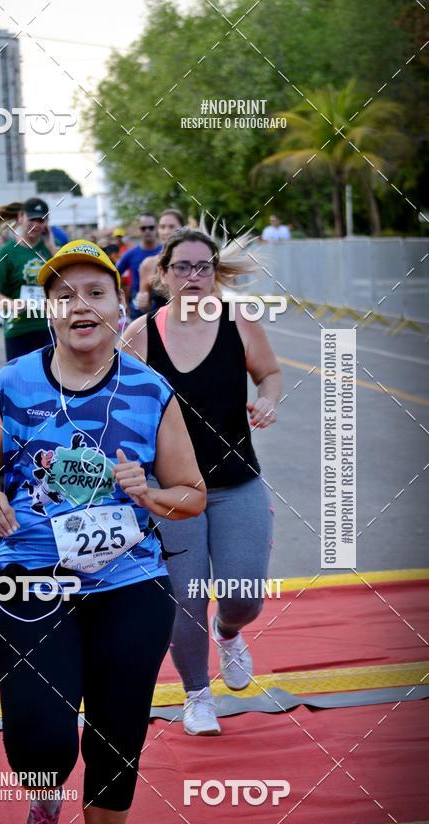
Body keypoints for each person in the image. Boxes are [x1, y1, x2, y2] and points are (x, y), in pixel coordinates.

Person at [0, 240, 205, 824]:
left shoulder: (149, 389)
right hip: (32, 577)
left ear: (118, 304)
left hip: (129, 583)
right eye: (64, 294)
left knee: (117, 734)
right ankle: (45, 802)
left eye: (95, 293)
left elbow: (190, 494)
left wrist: (147, 492)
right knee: (42, 737)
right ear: (48, 311)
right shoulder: (12, 383)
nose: (81, 305)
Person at [123, 227, 282, 737]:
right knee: (185, 598)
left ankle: (229, 633)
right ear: (164, 275)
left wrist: (268, 400)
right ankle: (197, 695)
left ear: (215, 275)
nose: (193, 276)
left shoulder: (240, 322)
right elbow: (115, 408)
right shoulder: (140, 335)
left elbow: (270, 374)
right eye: (182, 267)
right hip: (171, 493)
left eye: (203, 267)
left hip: (238, 484)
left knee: (244, 595)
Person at [0, 197, 59, 361]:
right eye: (32, 219)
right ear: (20, 217)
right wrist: (11, 304)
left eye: (41, 220)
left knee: (53, 383)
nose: (36, 224)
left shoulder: (51, 249)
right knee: (19, 383)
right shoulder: (7, 252)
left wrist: (51, 245)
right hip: (19, 329)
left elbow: (68, 280)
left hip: (50, 327)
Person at [135, 209, 185, 313]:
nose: (166, 231)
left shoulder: (197, 261)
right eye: (162, 227)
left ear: (183, 229)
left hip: (195, 323)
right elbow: (146, 308)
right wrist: (142, 302)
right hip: (162, 325)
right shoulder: (149, 264)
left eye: (171, 226)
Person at [116, 213, 161, 318]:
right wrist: (122, 300)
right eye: (143, 228)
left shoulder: (166, 252)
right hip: (138, 311)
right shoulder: (130, 254)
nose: (147, 231)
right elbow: (114, 275)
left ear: (157, 228)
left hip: (162, 308)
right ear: (139, 230)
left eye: (151, 227)